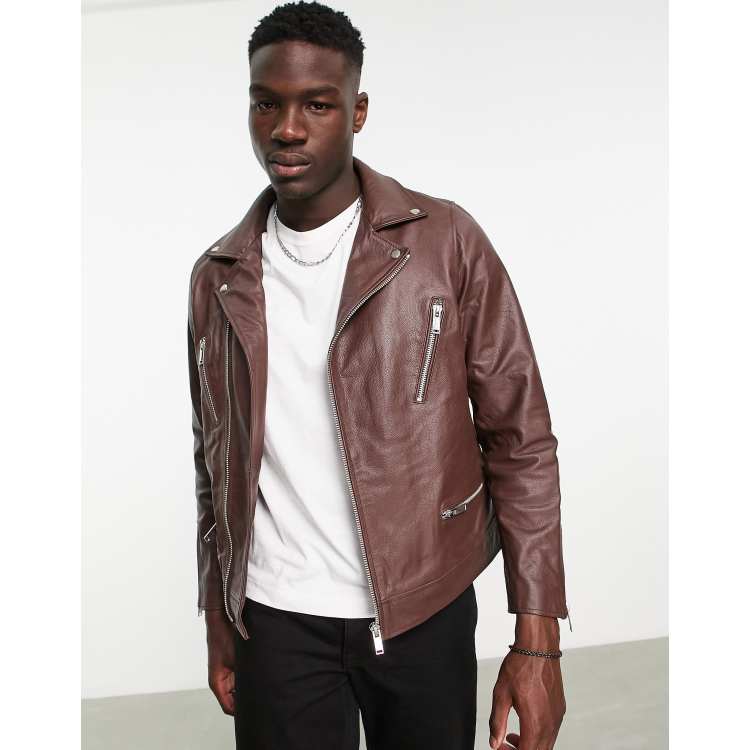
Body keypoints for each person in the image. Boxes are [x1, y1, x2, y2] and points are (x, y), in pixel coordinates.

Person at [186, 2, 569, 748]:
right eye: (266, 103)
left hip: (424, 607)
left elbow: (520, 440)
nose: (286, 128)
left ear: (357, 111)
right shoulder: (219, 276)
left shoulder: (445, 241)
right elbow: (214, 460)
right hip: (274, 620)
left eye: (316, 104)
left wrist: (538, 641)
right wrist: (218, 615)